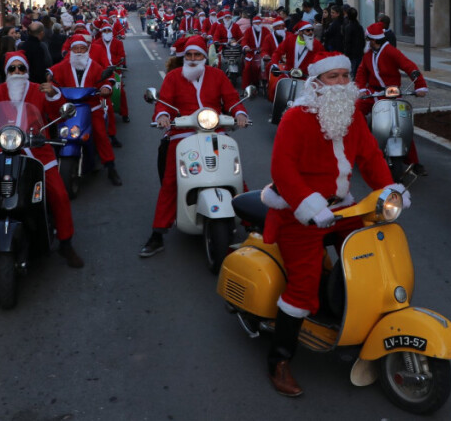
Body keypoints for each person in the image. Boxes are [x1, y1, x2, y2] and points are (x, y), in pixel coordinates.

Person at [260, 50, 406, 396]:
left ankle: (355, 315)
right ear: (315, 83)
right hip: (299, 213)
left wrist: (389, 191)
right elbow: (282, 170)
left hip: (344, 210)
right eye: (332, 77)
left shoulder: (352, 115)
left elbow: (370, 156)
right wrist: (309, 206)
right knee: (303, 286)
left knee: (372, 259)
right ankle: (279, 359)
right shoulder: (296, 118)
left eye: (345, 76)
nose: (341, 83)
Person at [0, 51, 84, 268]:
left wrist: (54, 95)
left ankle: (66, 243)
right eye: (12, 68)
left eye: (21, 68)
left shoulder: (39, 89)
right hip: (4, 150)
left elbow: (60, 112)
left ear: (27, 71)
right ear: (6, 71)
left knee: (59, 194)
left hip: (38, 152)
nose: (17, 72)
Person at [139, 36, 250, 257]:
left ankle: (252, 223)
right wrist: (162, 116)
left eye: (197, 55)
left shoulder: (217, 75)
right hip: (183, 134)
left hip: (216, 131)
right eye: (189, 55)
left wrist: (239, 113)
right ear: (184, 57)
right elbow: (164, 103)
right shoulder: (172, 77)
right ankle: (158, 233)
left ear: (204, 57)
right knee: (172, 180)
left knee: (235, 175)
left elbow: (230, 98)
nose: (192, 59)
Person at [47, 35, 122, 186]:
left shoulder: (95, 66)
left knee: (100, 133)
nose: (79, 51)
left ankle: (110, 167)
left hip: (91, 107)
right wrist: (49, 78)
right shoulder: (63, 66)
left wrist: (106, 88)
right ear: (71, 51)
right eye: (76, 48)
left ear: (87, 50)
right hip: (69, 108)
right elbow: (52, 73)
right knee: (54, 130)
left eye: (82, 48)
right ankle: (51, 165)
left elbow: (105, 81)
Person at [355, 22, 429, 175]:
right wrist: (361, 89)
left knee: (403, 125)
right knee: (355, 111)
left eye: (369, 39)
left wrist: (419, 85)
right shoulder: (368, 54)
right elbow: (361, 72)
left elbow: (409, 66)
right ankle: (361, 143)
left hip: (392, 94)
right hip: (373, 94)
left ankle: (413, 162)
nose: (368, 42)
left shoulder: (390, 51)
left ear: (373, 40)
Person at [268, 21, 324, 102]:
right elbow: (278, 52)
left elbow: (322, 58)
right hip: (289, 73)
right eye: (308, 30)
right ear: (300, 32)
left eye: (312, 30)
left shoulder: (317, 44)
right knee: (275, 88)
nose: (311, 32)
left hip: (306, 77)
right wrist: (274, 64)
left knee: (313, 97)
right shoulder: (290, 40)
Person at [342, 7, 365, 74]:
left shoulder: (348, 27)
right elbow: (362, 40)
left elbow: (347, 42)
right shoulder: (359, 27)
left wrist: (346, 53)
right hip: (359, 53)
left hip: (352, 54)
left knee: (352, 73)